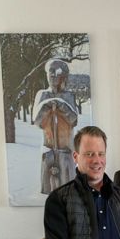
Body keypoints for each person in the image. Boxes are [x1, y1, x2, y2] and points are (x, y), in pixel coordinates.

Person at [33, 58, 79, 194]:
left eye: (56, 72)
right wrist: (46, 106)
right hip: (48, 150)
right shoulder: (42, 95)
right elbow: (37, 121)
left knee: (68, 188)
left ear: (63, 76)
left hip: (66, 150)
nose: (53, 75)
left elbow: (74, 120)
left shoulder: (69, 96)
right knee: (48, 191)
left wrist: (62, 105)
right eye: (50, 71)